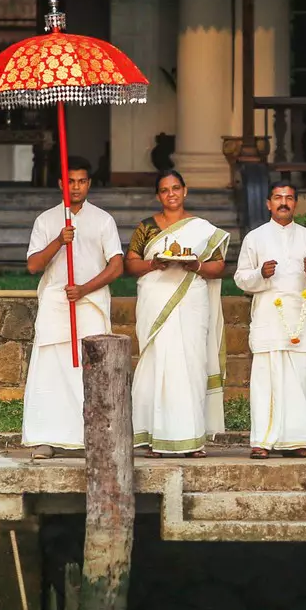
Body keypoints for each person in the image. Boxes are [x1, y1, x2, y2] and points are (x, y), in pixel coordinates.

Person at [21, 156, 124, 456]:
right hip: (56, 304)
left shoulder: (103, 220)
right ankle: (46, 438)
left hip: (89, 303)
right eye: (70, 182)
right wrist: (59, 240)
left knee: (91, 369)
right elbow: (33, 265)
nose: (75, 187)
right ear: (61, 184)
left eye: (81, 181)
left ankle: (91, 437)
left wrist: (84, 289)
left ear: (89, 184)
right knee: (51, 370)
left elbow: (116, 265)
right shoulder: (46, 220)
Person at [125, 170, 230, 456]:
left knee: (190, 365)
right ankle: (156, 438)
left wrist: (195, 266)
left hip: (191, 302)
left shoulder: (202, 228)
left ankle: (192, 438)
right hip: (156, 298)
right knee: (158, 364)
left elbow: (218, 266)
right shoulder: (146, 227)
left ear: (185, 190)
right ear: (158, 195)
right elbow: (130, 263)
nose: (170, 194)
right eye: (164, 190)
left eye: (175, 188)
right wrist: (153, 265)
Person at [233, 181, 306, 458]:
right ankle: (261, 441)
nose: (283, 202)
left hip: (298, 319)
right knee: (265, 382)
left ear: (295, 203)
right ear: (268, 203)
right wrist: (260, 274)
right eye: (278, 197)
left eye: (288, 198)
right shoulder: (255, 238)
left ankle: (297, 441)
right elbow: (241, 278)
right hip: (267, 317)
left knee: (299, 379)